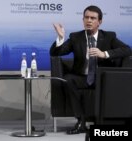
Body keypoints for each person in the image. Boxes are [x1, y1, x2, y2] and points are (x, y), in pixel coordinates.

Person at [50, 5, 131, 135]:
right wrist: (60, 38)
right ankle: (81, 121)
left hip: (102, 78)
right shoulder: (76, 37)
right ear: (83, 20)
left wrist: (103, 54)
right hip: (82, 77)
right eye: (86, 17)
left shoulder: (109, 36)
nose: (89, 20)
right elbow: (56, 53)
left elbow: (127, 49)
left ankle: (106, 122)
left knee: (110, 82)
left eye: (93, 18)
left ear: (99, 22)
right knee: (68, 80)